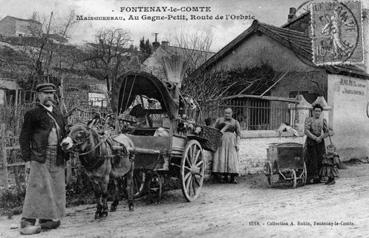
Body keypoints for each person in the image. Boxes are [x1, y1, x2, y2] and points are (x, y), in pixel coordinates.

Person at [19, 83, 67, 235]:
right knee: (37, 188)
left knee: (54, 188)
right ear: (38, 96)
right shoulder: (32, 114)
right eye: (45, 94)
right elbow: (24, 138)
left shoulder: (58, 114)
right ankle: (27, 222)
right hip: (40, 156)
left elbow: (64, 134)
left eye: (51, 93)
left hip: (57, 156)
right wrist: (27, 160)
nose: (49, 96)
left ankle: (46, 220)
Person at [304, 103, 332, 184]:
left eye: (319, 111)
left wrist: (321, 137)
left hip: (320, 142)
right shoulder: (309, 120)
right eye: (316, 111)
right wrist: (315, 138)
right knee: (312, 158)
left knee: (321, 158)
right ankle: (310, 177)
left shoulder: (323, 121)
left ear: (321, 112)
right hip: (311, 141)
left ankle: (319, 177)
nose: (317, 113)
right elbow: (306, 131)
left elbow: (327, 132)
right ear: (313, 111)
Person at [212, 108, 241, 184]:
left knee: (232, 158)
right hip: (221, 141)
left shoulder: (235, 122)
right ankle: (223, 176)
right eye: (225, 113)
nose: (227, 115)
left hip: (232, 142)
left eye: (229, 113)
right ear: (223, 113)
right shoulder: (219, 121)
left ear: (232, 113)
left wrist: (237, 144)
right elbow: (214, 130)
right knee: (222, 157)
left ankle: (233, 177)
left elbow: (238, 134)